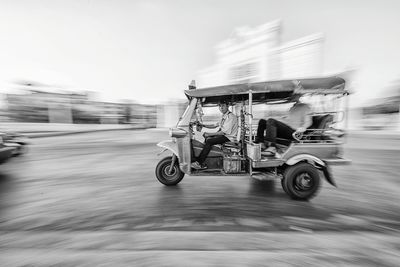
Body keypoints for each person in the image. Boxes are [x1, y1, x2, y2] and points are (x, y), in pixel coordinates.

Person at [191, 100, 238, 170]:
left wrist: (209, 134)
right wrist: (202, 125)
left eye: (223, 106)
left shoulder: (230, 117)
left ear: (227, 106)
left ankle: (199, 162)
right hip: (224, 135)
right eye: (220, 106)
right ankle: (204, 158)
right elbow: (215, 125)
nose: (221, 108)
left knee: (209, 141)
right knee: (207, 139)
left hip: (229, 137)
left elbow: (223, 132)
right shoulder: (224, 116)